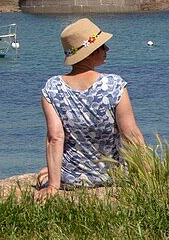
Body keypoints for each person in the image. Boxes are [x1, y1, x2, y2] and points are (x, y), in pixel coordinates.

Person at [35, 18, 145, 200]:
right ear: (89, 53)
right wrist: (149, 172)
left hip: (71, 179)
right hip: (114, 177)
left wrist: (54, 185)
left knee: (42, 173)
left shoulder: (53, 87)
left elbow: (55, 138)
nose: (107, 49)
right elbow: (130, 134)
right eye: (102, 46)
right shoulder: (114, 85)